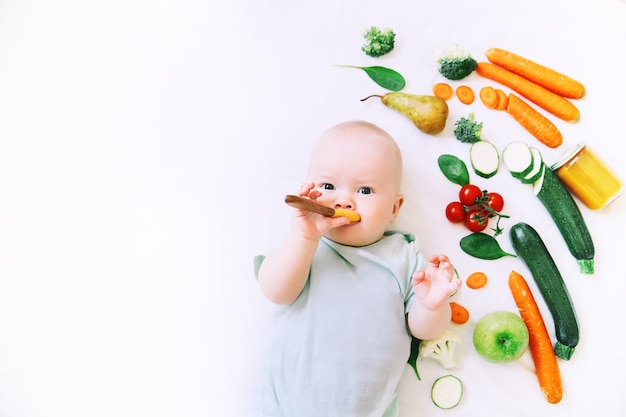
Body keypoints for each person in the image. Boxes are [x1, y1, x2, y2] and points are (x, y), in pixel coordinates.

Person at [254, 120, 461, 417]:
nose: (345, 200)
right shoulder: (307, 246)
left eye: (365, 190)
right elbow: (275, 291)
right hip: (285, 408)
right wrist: (304, 235)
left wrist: (431, 305)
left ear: (394, 208)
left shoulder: (403, 257)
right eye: (328, 186)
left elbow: (423, 329)